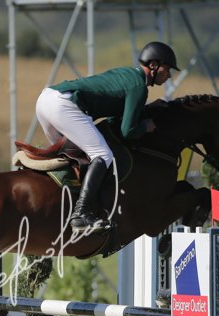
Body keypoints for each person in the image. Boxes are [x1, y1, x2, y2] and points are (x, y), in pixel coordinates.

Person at [35, 41, 179, 233]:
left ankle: (59, 206)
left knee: (72, 158)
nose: (169, 75)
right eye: (167, 69)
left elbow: (118, 114)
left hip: (46, 99)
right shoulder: (139, 86)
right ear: (153, 65)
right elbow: (127, 132)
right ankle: (81, 214)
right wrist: (145, 126)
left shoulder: (128, 74)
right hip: (63, 105)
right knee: (102, 154)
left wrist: (145, 109)